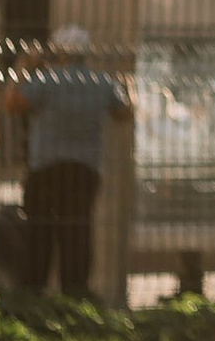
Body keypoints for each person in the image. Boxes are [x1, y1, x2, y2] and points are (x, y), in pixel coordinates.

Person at [10, 25, 128, 299]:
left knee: (40, 232)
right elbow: (123, 112)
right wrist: (128, 84)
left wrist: (23, 66)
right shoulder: (101, 83)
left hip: (45, 169)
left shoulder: (45, 81)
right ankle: (76, 293)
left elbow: (12, 104)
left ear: (58, 53)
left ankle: (32, 294)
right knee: (77, 231)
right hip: (84, 170)